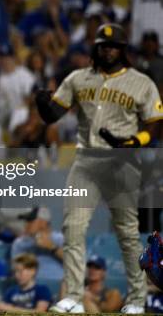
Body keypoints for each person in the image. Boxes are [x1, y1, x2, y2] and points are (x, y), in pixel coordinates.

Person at [36, 23, 162, 314]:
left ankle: (136, 300)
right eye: (103, 45)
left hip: (122, 163)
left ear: (123, 50)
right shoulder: (79, 78)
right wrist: (43, 106)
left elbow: (156, 124)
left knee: (128, 233)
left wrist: (135, 140)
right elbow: (53, 114)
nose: (108, 50)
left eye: (114, 45)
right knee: (73, 228)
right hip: (86, 162)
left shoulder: (141, 82)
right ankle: (74, 297)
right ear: (96, 47)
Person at [10, 207, 64, 280]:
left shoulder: (60, 239)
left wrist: (52, 247)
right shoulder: (20, 243)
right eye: (25, 221)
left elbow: (75, 263)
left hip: (58, 285)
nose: (26, 224)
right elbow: (15, 268)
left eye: (30, 221)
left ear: (43, 222)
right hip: (31, 286)